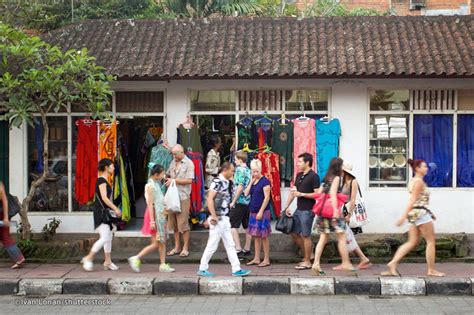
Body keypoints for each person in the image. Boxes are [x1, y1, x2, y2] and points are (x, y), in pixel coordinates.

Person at [381, 159, 445, 277]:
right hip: (420, 214)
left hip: (417, 213)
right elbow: (413, 200)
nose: (426, 168)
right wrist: (403, 216)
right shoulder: (419, 182)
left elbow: (416, 200)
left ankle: (393, 263)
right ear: (417, 169)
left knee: (412, 242)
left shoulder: (414, 181)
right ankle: (431, 270)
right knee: (430, 242)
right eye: (424, 167)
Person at [299, 157, 355, 275]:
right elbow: (333, 195)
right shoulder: (336, 178)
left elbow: (318, 193)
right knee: (342, 236)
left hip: (322, 212)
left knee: (323, 238)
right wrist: (335, 211)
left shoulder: (326, 178)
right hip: (332, 212)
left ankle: (316, 264)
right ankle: (345, 262)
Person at [197, 162, 251, 277]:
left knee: (230, 245)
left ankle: (236, 269)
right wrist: (213, 216)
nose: (233, 172)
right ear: (225, 170)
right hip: (218, 218)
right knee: (212, 245)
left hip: (225, 218)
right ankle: (202, 268)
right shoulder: (217, 182)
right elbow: (210, 199)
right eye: (231, 170)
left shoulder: (227, 182)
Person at [128, 164, 175, 273]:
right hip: (154, 215)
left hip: (159, 215)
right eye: (162, 173)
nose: (164, 175)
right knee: (156, 242)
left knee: (162, 241)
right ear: (156, 174)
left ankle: (163, 264)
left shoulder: (156, 184)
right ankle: (136, 258)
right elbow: (150, 204)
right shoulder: (150, 186)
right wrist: (153, 221)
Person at [81, 158, 122, 272]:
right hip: (101, 213)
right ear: (106, 168)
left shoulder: (104, 180)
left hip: (104, 212)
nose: (114, 168)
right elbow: (104, 198)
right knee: (105, 237)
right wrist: (115, 208)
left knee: (108, 237)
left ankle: (108, 261)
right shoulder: (101, 181)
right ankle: (88, 258)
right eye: (112, 166)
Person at [284, 153, 320, 270]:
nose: (298, 164)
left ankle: (307, 261)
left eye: (300, 162)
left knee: (306, 236)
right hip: (298, 210)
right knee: (294, 233)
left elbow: (317, 194)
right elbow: (293, 191)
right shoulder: (299, 175)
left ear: (307, 163)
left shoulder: (314, 176)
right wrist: (286, 206)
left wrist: (302, 194)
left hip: (308, 211)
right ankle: (308, 256)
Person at [333, 162, 372, 270]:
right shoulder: (343, 182)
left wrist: (349, 214)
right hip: (343, 210)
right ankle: (360, 259)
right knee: (347, 235)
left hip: (349, 211)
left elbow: (353, 199)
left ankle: (350, 261)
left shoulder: (353, 181)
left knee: (346, 235)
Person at [166, 144, 194, 258]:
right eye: (173, 154)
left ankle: (185, 248)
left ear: (181, 152)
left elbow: (189, 180)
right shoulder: (173, 162)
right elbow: (168, 173)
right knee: (174, 224)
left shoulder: (189, 163)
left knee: (183, 224)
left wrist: (174, 180)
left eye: (175, 154)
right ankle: (177, 247)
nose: (174, 156)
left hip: (183, 197)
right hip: (172, 196)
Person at [244, 159, 272, 267]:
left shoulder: (265, 181)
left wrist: (261, 211)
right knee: (256, 236)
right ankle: (256, 258)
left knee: (264, 236)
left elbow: (267, 198)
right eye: (253, 171)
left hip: (263, 212)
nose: (255, 173)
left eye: (257, 171)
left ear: (260, 170)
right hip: (253, 211)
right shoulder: (254, 181)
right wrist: (251, 181)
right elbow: (246, 193)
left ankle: (266, 259)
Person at [229, 151, 252, 258]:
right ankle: (247, 248)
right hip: (247, 200)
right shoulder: (248, 170)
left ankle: (238, 248)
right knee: (247, 225)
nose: (234, 161)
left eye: (235, 159)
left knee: (233, 224)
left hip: (239, 201)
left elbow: (240, 186)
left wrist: (233, 201)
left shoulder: (239, 170)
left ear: (240, 160)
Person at [0, 182, 25, 269]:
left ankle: (19, 258)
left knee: (5, 237)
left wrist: (6, 217)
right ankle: (19, 258)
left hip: (2, 213)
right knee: (5, 237)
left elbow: (4, 200)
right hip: (3, 213)